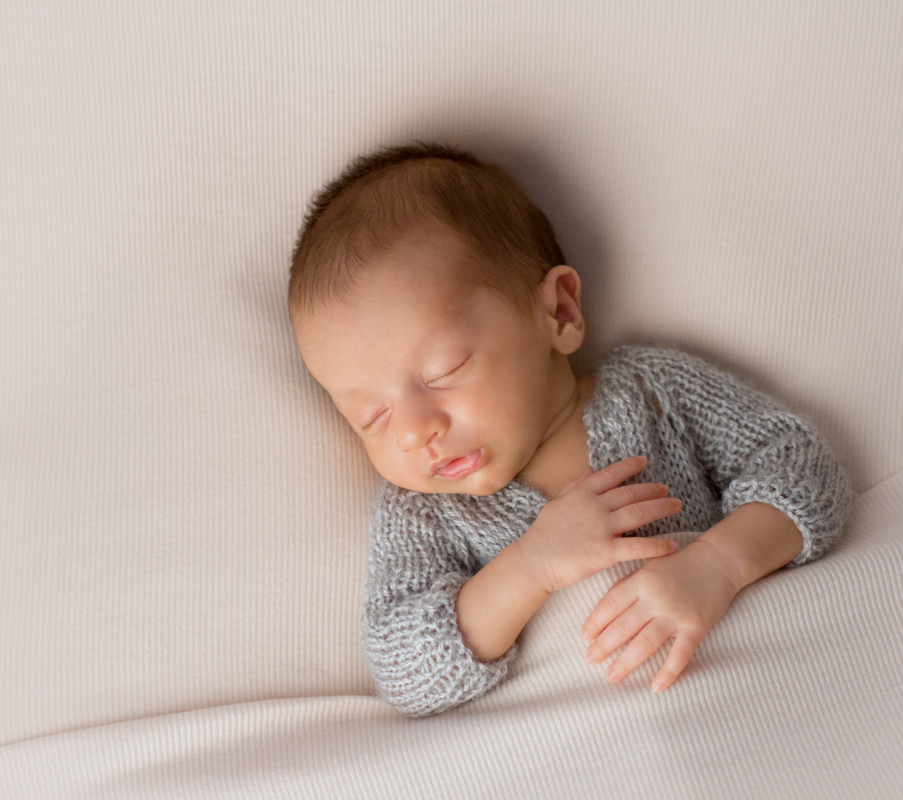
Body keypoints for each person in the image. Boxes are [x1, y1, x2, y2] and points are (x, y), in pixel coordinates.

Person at [288, 143, 852, 717]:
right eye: (371, 416)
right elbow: (402, 668)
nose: (412, 432)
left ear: (558, 313)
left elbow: (802, 466)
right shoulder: (424, 511)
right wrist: (532, 565)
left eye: (443, 372)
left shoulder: (650, 393)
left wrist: (720, 565)